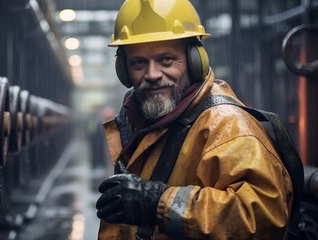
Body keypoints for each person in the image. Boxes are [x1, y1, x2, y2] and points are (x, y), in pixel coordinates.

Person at [95, 0, 293, 239]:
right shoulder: (147, 122)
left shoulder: (226, 126)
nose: (152, 74)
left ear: (195, 60)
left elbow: (262, 217)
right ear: (123, 70)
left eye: (166, 60)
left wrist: (158, 203)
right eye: (139, 63)